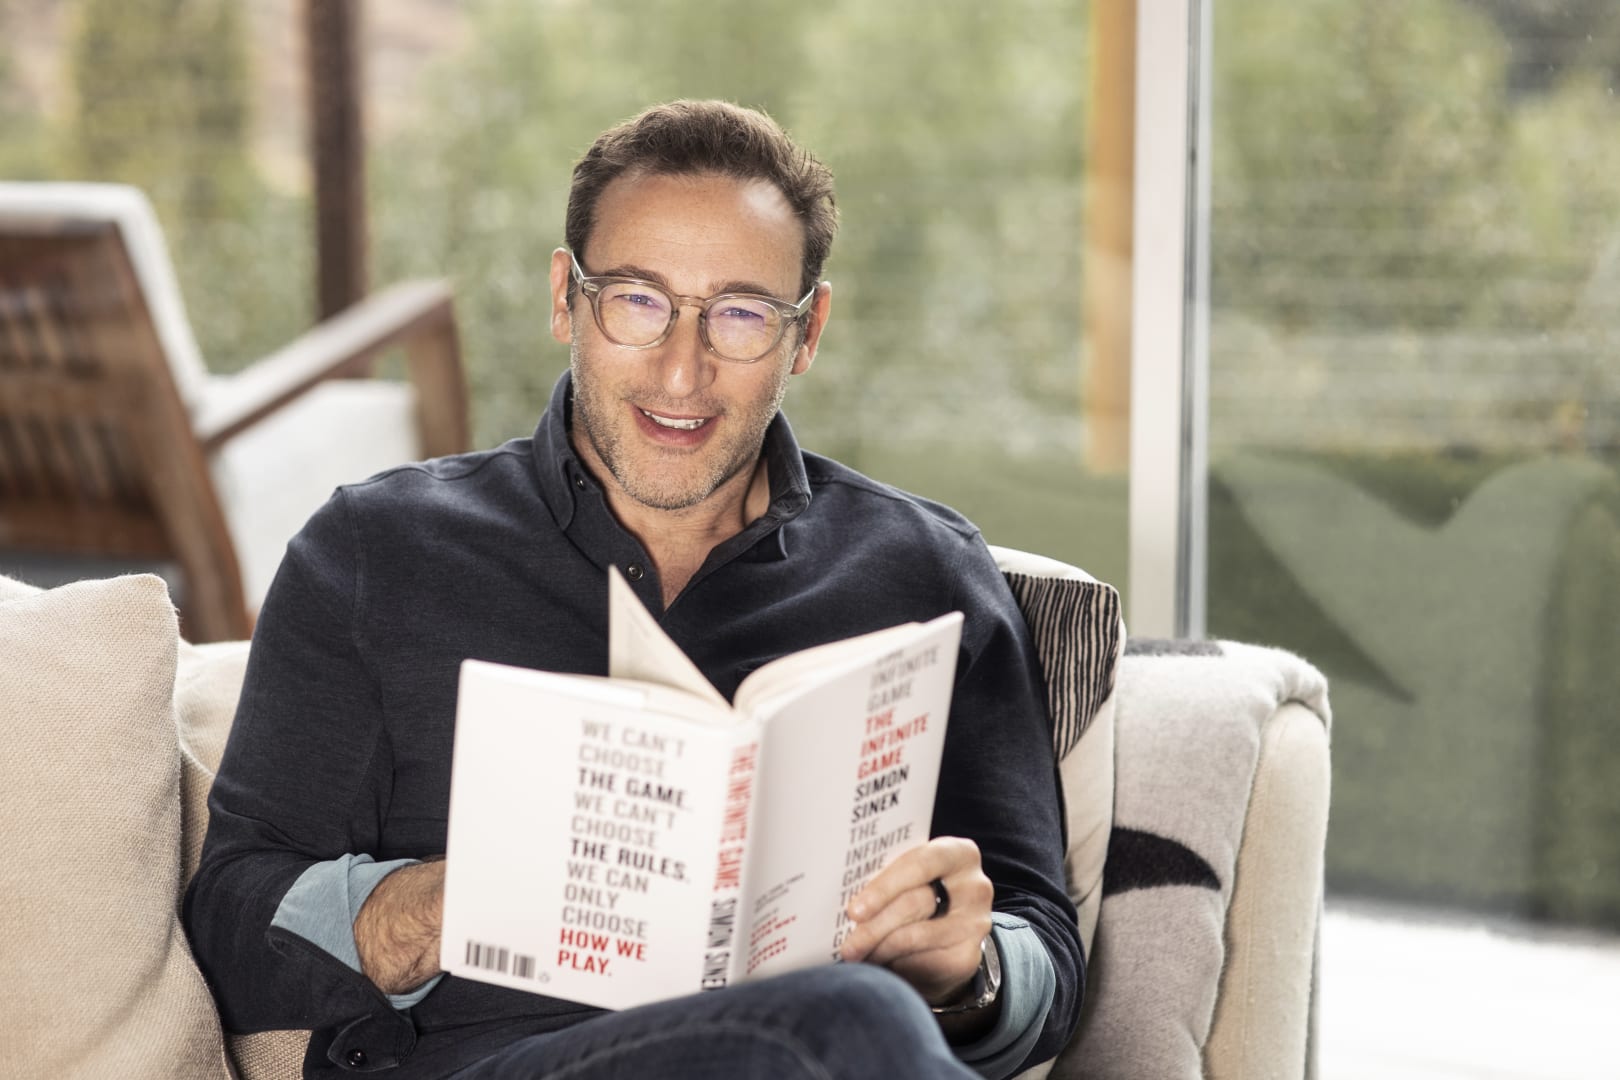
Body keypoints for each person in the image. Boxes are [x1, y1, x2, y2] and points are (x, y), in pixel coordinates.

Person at [185, 100, 1082, 1079]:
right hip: (496, 1063)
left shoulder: (924, 573)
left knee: (850, 1017)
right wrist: (442, 906)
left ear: (807, 331)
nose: (682, 369)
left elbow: (1045, 950)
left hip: (827, 1050)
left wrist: (969, 971)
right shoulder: (377, 551)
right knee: (849, 1020)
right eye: (638, 301)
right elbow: (233, 919)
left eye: (739, 314)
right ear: (567, 297)